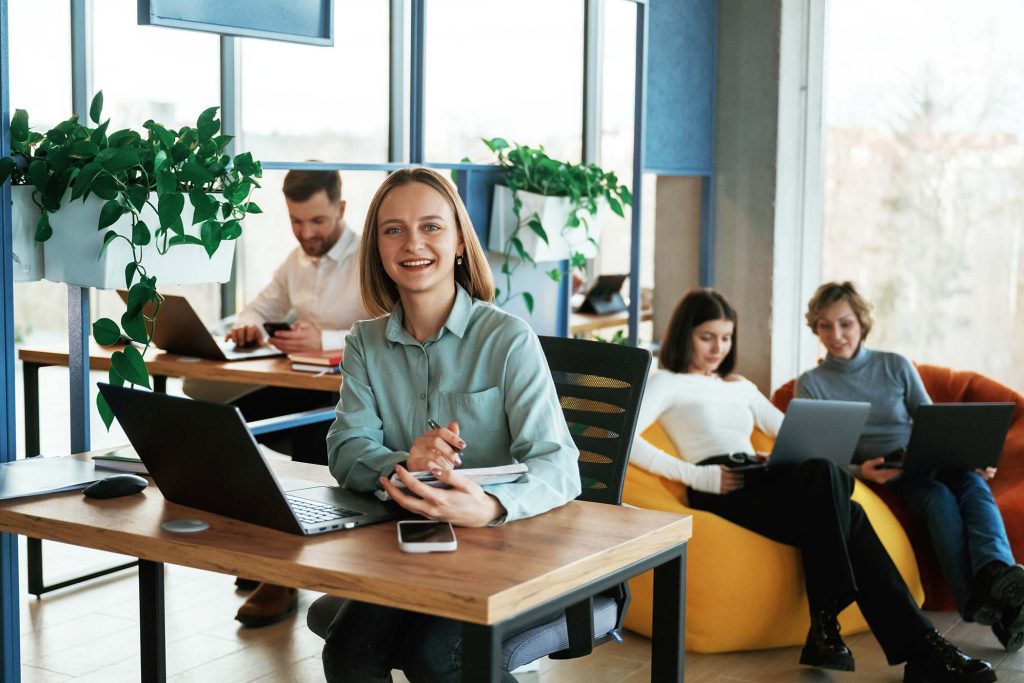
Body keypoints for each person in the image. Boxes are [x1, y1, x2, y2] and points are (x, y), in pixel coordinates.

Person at [629, 288, 994, 682]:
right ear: (685, 334)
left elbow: (793, 432)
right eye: (707, 337)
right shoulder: (665, 381)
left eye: (726, 337)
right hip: (717, 483)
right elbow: (628, 438)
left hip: (760, 475)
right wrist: (698, 475)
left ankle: (833, 627)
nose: (718, 347)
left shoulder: (739, 386)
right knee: (846, 511)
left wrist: (784, 455)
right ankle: (915, 646)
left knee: (828, 475)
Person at [320, 167, 581, 682]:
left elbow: (559, 464)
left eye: (431, 227)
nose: (412, 243)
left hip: (504, 551)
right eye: (393, 229)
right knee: (347, 653)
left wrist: (489, 506)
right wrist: (402, 463)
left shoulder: (508, 340)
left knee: (436, 658)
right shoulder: (365, 344)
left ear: (460, 241)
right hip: (413, 551)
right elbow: (346, 447)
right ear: (376, 246)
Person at [796, 280, 1024, 652]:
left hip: (925, 454)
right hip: (884, 470)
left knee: (972, 483)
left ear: (861, 322)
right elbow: (818, 456)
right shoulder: (812, 385)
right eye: (825, 325)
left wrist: (967, 456)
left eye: (845, 323)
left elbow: (931, 421)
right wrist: (859, 472)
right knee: (938, 499)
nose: (836, 334)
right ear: (816, 328)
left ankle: (997, 571)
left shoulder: (895, 365)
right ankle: (981, 602)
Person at [200, 169, 367, 628]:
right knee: (225, 421)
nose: (307, 233)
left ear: (342, 210)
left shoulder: (368, 259)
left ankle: (286, 574)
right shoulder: (295, 261)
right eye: (296, 221)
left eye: (317, 221)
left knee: (318, 437)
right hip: (302, 384)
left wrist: (327, 337)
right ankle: (262, 546)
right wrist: (250, 324)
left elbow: (392, 327)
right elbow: (260, 305)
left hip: (350, 396)